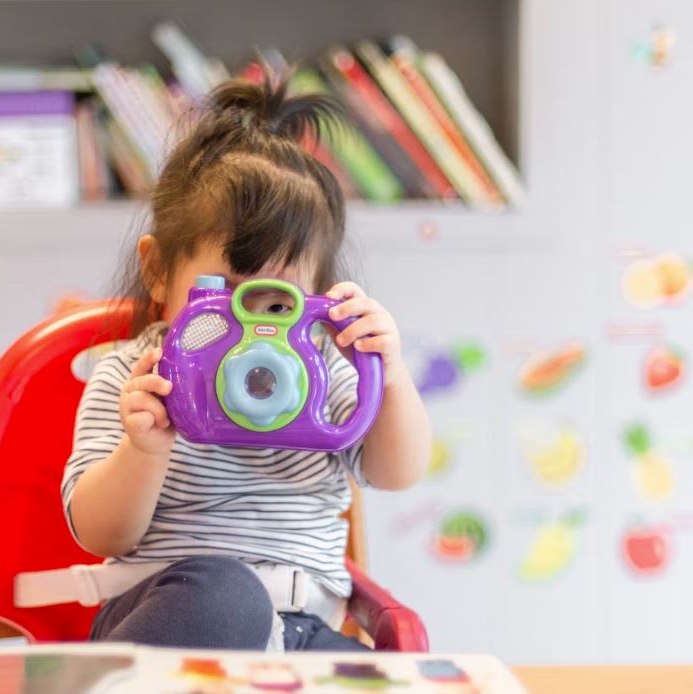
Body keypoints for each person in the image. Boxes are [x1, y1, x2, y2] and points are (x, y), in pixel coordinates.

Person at [62, 69, 431, 651]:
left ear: (317, 296)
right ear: (159, 271)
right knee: (226, 595)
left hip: (305, 628)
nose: (251, 328)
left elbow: (397, 471)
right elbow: (99, 531)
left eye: (276, 301)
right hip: (177, 616)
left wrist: (388, 371)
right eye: (226, 293)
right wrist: (143, 450)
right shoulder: (135, 377)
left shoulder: (323, 371)